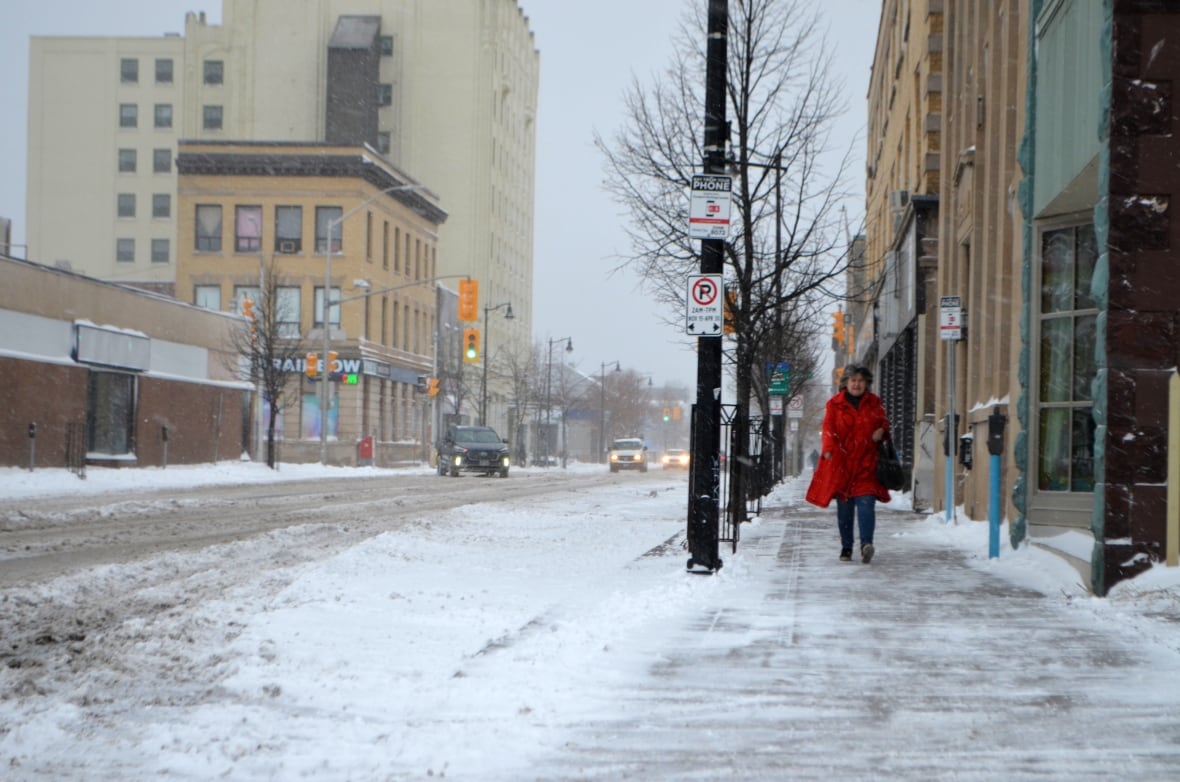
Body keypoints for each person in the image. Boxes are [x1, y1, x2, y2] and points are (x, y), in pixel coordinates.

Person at [805, 365, 891, 563]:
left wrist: (881, 431)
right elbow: (828, 427)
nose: (857, 384)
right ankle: (846, 547)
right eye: (853, 380)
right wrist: (828, 448)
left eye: (860, 381)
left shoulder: (874, 403)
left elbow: (884, 423)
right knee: (845, 509)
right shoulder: (835, 404)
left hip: (867, 463)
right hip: (842, 463)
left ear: (866, 383)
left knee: (866, 503)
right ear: (846, 383)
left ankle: (866, 544)